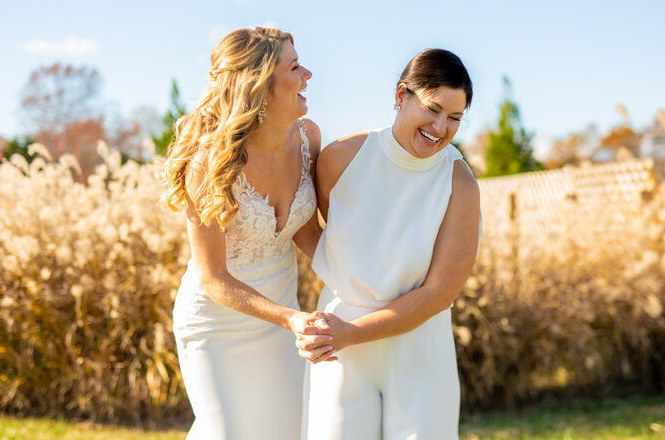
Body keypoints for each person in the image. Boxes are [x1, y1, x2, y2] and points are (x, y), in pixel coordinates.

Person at [297, 48, 481, 440]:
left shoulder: (460, 182)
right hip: (337, 342)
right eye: (432, 109)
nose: (440, 127)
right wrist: (338, 327)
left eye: (454, 118)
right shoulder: (340, 159)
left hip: (418, 349)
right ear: (401, 96)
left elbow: (439, 293)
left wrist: (353, 332)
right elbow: (327, 237)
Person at [163, 27, 333, 439]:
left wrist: (363, 280)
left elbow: (308, 234)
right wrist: (291, 318)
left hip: (282, 324)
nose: (308, 73)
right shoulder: (210, 162)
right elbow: (212, 277)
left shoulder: (308, 137)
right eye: (294, 67)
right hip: (216, 325)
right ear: (258, 84)